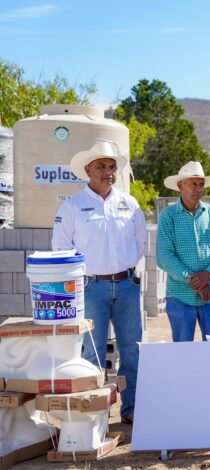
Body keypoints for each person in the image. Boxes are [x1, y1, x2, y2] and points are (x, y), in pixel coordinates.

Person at [52, 141, 146, 425]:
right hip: (91, 288)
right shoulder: (72, 207)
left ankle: (131, 408)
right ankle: (96, 414)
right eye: (101, 167)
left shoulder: (129, 204)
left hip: (127, 286)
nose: (108, 172)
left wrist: (130, 274)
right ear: (87, 170)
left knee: (131, 349)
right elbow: (61, 250)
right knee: (92, 352)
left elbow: (141, 243)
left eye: (112, 167)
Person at [156, 161, 210, 343]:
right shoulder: (168, 216)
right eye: (193, 184)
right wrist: (196, 281)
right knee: (183, 350)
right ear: (180, 185)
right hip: (180, 295)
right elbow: (164, 256)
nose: (198, 189)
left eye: (201, 184)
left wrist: (207, 274)